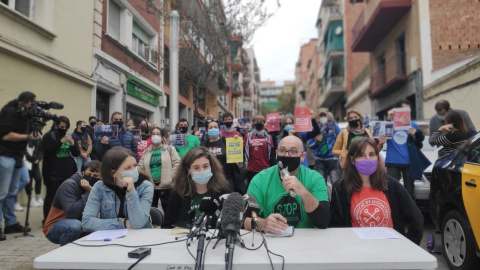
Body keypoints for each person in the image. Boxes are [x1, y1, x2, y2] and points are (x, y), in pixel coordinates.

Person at [330, 138, 424, 245]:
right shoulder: (340, 188)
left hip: (390, 250)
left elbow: (416, 218)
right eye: (361, 155)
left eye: (372, 154)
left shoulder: (391, 185)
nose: (367, 159)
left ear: (377, 157)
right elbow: (336, 225)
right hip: (357, 251)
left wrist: (408, 245)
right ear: (352, 160)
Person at [243, 136, 330, 232]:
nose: (287, 155)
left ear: (302, 157)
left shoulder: (314, 178)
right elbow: (244, 220)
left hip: (306, 241)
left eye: (293, 152)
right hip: (273, 240)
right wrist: (263, 224)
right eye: (282, 151)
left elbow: (323, 220)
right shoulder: (260, 180)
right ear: (276, 154)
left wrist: (303, 191)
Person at [82, 148, 154, 231]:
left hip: (139, 237)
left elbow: (138, 223)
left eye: (135, 166)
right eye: (128, 168)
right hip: (110, 238)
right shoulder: (99, 187)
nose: (133, 170)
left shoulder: (145, 186)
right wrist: (123, 223)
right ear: (113, 173)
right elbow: (86, 222)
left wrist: (131, 191)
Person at [0, 91, 39, 240]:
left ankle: (10, 223)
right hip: (5, 156)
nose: (33, 106)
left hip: (17, 157)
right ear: (27, 101)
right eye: (33, 103)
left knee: (12, 192)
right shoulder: (10, 112)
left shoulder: (25, 115)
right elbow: (5, 135)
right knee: (2, 194)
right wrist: (28, 136)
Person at [164, 147, 231, 228]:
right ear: (188, 170)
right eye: (196, 167)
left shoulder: (224, 191)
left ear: (211, 167)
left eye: (205, 166)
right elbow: (167, 226)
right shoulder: (178, 193)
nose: (202, 171)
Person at [43, 160, 101, 246]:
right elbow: (72, 212)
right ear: (83, 173)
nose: (91, 177)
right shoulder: (69, 185)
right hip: (54, 226)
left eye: (95, 176)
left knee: (100, 226)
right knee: (75, 226)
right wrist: (90, 192)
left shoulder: (99, 186)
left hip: (80, 221)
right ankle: (65, 256)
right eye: (88, 175)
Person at [384, 100, 429, 199]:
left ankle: (409, 212)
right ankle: (393, 210)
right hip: (393, 161)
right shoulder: (389, 124)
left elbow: (419, 144)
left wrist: (414, 135)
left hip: (409, 162)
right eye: (404, 109)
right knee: (391, 189)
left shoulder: (413, 125)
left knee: (409, 191)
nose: (406, 111)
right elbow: (384, 136)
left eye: (408, 109)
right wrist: (388, 118)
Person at [42, 116, 80, 220]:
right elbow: (47, 151)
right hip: (53, 173)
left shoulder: (69, 136)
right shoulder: (49, 136)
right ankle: (47, 219)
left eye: (65, 127)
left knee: (67, 196)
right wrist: (60, 142)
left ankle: (64, 216)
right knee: (51, 197)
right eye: (61, 127)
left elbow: (77, 153)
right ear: (56, 125)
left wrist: (73, 144)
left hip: (68, 172)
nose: (63, 129)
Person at [138, 127, 180, 211]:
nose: (155, 136)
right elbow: (140, 167)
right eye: (153, 134)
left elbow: (177, 163)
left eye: (157, 134)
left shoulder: (169, 149)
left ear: (162, 136)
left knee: (169, 212)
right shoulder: (146, 151)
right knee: (151, 212)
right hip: (151, 187)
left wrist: (170, 177)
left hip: (167, 187)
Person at [203, 118, 245, 194]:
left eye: (215, 127)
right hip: (210, 182)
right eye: (210, 128)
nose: (213, 129)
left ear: (219, 129)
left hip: (227, 181)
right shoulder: (203, 146)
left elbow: (236, 157)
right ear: (206, 131)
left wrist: (236, 142)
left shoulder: (226, 142)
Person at [309, 110, 341, 185]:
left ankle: (335, 197)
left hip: (332, 159)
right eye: (321, 115)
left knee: (336, 184)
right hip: (319, 160)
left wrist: (336, 153)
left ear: (327, 116)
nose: (323, 117)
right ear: (318, 117)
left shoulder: (334, 126)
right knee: (321, 185)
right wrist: (316, 141)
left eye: (324, 115)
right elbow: (311, 146)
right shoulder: (314, 128)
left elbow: (340, 141)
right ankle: (324, 197)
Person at [243, 115, 275, 187]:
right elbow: (244, 151)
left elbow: (272, 154)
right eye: (256, 121)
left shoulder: (269, 137)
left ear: (264, 123)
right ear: (253, 123)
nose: (258, 123)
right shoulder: (247, 136)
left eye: (261, 121)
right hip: (251, 169)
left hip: (265, 168)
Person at [25, 133, 44, 207]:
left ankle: (38, 197)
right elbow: (25, 151)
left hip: (36, 163)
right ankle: (30, 199)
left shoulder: (39, 139)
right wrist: (31, 139)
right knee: (28, 181)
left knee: (38, 179)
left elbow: (41, 151)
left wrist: (38, 159)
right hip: (27, 162)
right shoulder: (27, 138)